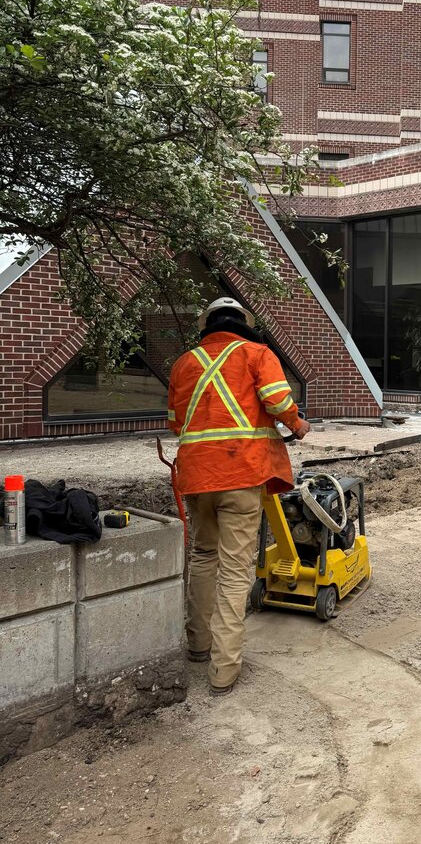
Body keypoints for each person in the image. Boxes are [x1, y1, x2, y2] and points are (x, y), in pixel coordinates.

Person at [168, 297, 310, 694]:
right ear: (243, 323)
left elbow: (176, 421)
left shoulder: (183, 363)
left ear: (207, 325)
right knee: (234, 570)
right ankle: (224, 670)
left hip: (197, 478)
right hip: (241, 475)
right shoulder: (257, 353)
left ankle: (198, 645)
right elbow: (279, 402)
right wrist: (297, 426)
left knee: (202, 555)